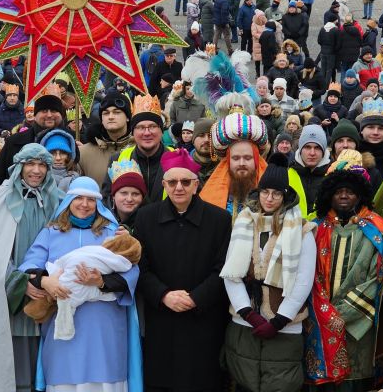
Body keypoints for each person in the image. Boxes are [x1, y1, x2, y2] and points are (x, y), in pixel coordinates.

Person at [15, 175, 139, 390]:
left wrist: (101, 281)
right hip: (63, 321)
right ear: (68, 201)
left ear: (98, 203)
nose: (84, 204)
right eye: (78, 198)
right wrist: (46, 282)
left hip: (104, 324)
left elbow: (132, 271)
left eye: (91, 199)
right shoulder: (50, 233)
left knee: (105, 379)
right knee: (65, 378)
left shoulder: (112, 232)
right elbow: (28, 266)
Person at [135, 148, 231, 391]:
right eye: (173, 182)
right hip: (162, 317)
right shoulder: (146, 217)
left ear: (196, 185)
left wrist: (196, 298)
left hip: (203, 317)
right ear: (164, 185)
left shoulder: (219, 220)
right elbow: (141, 267)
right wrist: (164, 295)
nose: (179, 187)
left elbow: (223, 268)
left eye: (186, 182)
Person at [0, 143, 61, 392]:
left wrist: (46, 282)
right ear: (19, 167)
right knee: (17, 366)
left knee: (48, 367)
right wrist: (21, 282)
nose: (36, 170)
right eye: (30, 164)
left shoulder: (58, 200)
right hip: (11, 297)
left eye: (42, 165)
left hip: (50, 294)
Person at [221, 152, 316, 391]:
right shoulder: (244, 222)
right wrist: (248, 313)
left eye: (276, 193)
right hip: (245, 322)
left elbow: (303, 280)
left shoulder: (301, 230)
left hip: (285, 323)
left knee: (280, 382)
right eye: (265, 192)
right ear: (258, 192)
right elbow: (231, 273)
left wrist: (279, 320)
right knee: (245, 379)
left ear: (285, 196)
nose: (270, 198)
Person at [304, 150, 383, 390]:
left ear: (360, 195)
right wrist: (325, 313)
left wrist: (342, 314)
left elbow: (381, 278)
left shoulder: (377, 228)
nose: (344, 196)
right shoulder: (315, 228)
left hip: (359, 327)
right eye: (338, 192)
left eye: (350, 192)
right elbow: (305, 276)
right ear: (329, 196)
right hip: (319, 322)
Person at [102, 94, 174, 203]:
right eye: (140, 127)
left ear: (161, 130)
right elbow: (107, 199)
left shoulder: (178, 158)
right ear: (133, 132)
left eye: (152, 126)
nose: (146, 133)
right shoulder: (118, 159)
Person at [0, 90, 68, 187]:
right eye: (44, 111)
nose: (49, 115)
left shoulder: (72, 142)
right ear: (35, 116)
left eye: (54, 111)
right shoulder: (15, 141)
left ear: (61, 115)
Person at [79, 92, 132, 186]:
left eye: (117, 112)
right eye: (106, 113)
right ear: (101, 119)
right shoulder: (83, 153)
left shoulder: (141, 149)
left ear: (127, 117)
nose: (111, 117)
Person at [288, 124, 331, 218]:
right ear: (300, 149)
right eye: (307, 147)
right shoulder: (288, 174)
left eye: (317, 148)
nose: (312, 153)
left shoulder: (332, 175)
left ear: (323, 151)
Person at [359, 98, 383, 185]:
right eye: (370, 127)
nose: (375, 132)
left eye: (381, 128)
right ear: (362, 130)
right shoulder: (353, 154)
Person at [108, 160, 147, 233]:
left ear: (142, 197)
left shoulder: (150, 223)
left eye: (135, 194)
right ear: (113, 196)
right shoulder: (102, 221)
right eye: (124, 193)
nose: (129, 199)